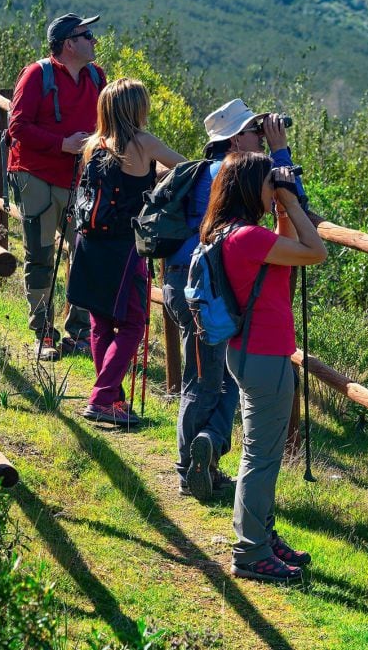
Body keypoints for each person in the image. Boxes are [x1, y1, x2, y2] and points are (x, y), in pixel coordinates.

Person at [163, 100, 301, 501]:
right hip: (209, 290)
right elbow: (296, 204)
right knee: (206, 381)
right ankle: (191, 466)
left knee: (218, 379)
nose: (260, 134)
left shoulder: (216, 171)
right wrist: (280, 153)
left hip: (193, 282)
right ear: (235, 138)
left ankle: (205, 450)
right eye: (254, 129)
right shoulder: (228, 172)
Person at [198, 151, 325, 582]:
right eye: (269, 183)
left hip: (250, 351)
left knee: (261, 453)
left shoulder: (228, 233)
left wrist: (281, 208)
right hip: (264, 356)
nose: (275, 189)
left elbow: (286, 251)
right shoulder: (248, 238)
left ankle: (262, 536)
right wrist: (291, 202)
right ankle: (251, 553)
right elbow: (315, 251)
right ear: (253, 187)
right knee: (261, 458)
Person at [67, 79, 186, 425]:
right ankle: (103, 399)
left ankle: (113, 399)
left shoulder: (93, 145)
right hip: (124, 249)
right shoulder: (142, 142)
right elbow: (187, 168)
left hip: (88, 244)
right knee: (133, 323)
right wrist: (157, 174)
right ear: (136, 109)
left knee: (100, 324)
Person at [8, 12, 104, 361]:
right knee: (41, 254)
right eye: (87, 34)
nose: (94, 40)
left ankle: (79, 333)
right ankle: (44, 333)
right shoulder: (37, 75)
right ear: (69, 44)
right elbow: (17, 126)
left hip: (81, 179)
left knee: (86, 256)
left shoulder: (97, 77)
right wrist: (62, 144)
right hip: (36, 175)